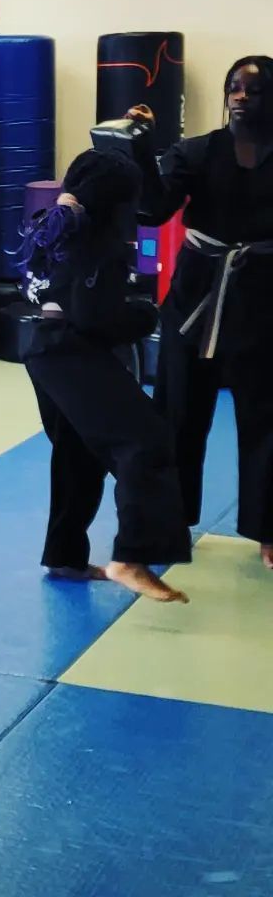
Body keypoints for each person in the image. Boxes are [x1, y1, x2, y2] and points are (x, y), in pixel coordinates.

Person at [21, 150, 190, 603]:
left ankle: (65, 556)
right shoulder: (101, 243)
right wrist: (143, 315)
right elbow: (95, 316)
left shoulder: (57, 224)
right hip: (71, 353)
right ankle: (131, 558)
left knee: (78, 455)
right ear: (116, 202)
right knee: (147, 440)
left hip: (43, 347)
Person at [131, 55, 273, 566]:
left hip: (263, 297)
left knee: (267, 418)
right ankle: (170, 520)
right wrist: (142, 150)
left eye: (253, 91)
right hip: (196, 295)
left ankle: (268, 530)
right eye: (233, 87)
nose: (239, 97)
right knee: (179, 411)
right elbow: (151, 210)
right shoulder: (196, 151)